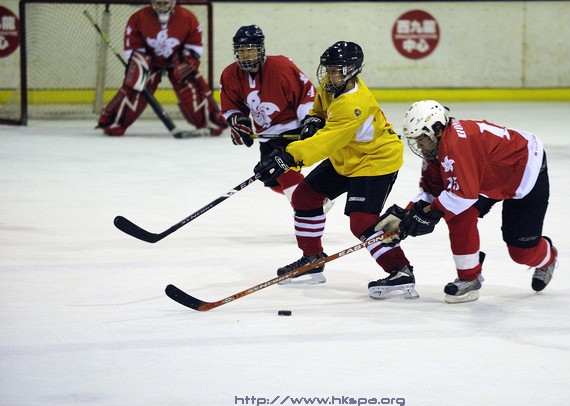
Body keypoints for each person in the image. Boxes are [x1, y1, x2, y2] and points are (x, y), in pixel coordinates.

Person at [253, 41, 418, 300]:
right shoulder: (331, 86)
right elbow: (320, 110)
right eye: (328, 69)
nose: (329, 75)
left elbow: (324, 143)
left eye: (336, 70)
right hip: (347, 155)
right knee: (304, 197)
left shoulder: (354, 104)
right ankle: (312, 260)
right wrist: (314, 119)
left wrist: (288, 157)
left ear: (352, 70)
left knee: (361, 222)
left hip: (375, 160)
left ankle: (400, 270)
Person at [376, 100, 558, 303]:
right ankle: (469, 277)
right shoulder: (436, 148)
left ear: (436, 130)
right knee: (458, 213)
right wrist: (406, 215)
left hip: (523, 170)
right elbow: (432, 191)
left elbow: (462, 196)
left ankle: (548, 257)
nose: (418, 145)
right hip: (485, 174)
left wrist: (426, 213)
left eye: (421, 139)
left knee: (521, 253)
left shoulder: (456, 146)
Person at [97, 0, 227, 136]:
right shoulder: (139, 17)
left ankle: (209, 121)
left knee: (191, 84)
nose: (162, 6)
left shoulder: (187, 17)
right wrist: (139, 62)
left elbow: (195, 44)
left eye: (165, 3)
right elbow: (133, 45)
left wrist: (187, 58)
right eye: (159, 3)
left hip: (178, 60)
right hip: (149, 61)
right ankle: (115, 122)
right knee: (136, 86)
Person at [219, 24, 316, 203]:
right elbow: (231, 105)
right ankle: (315, 199)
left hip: (291, 127)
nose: (245, 55)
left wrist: (309, 120)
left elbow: (306, 94)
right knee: (273, 181)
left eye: (250, 50)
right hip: (265, 133)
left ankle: (309, 204)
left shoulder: (282, 67)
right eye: (241, 50)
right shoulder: (230, 74)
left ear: (260, 49)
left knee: (283, 170)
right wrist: (238, 122)